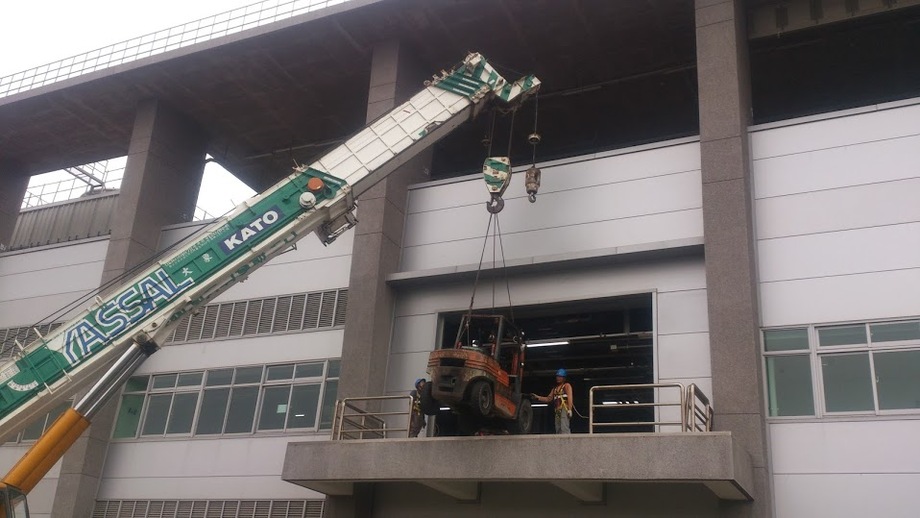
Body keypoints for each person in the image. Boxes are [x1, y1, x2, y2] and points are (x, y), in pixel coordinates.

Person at [533, 368, 574, 434]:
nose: (558, 378)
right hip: (557, 410)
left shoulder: (566, 386)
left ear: (564, 378)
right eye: (557, 376)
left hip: (564, 409)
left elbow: (570, 397)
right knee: (558, 427)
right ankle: (559, 442)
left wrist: (570, 409)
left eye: (560, 377)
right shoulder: (554, 389)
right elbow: (548, 399)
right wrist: (537, 397)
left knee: (564, 426)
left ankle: (567, 442)